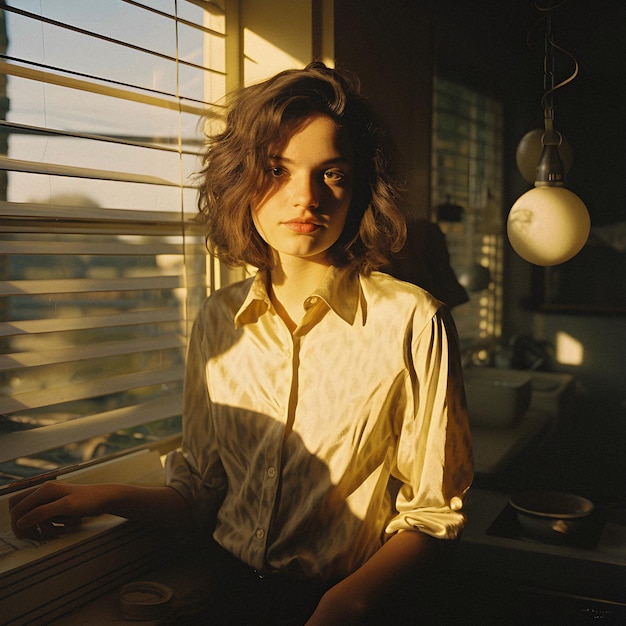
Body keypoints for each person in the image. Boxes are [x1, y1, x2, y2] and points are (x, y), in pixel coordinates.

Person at [10, 62, 473, 625]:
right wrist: (102, 497)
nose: (306, 198)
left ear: (358, 189)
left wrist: (344, 603)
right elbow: (202, 493)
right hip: (224, 596)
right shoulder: (218, 320)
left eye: (332, 174)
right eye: (278, 169)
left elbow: (431, 516)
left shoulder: (413, 322)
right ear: (243, 181)